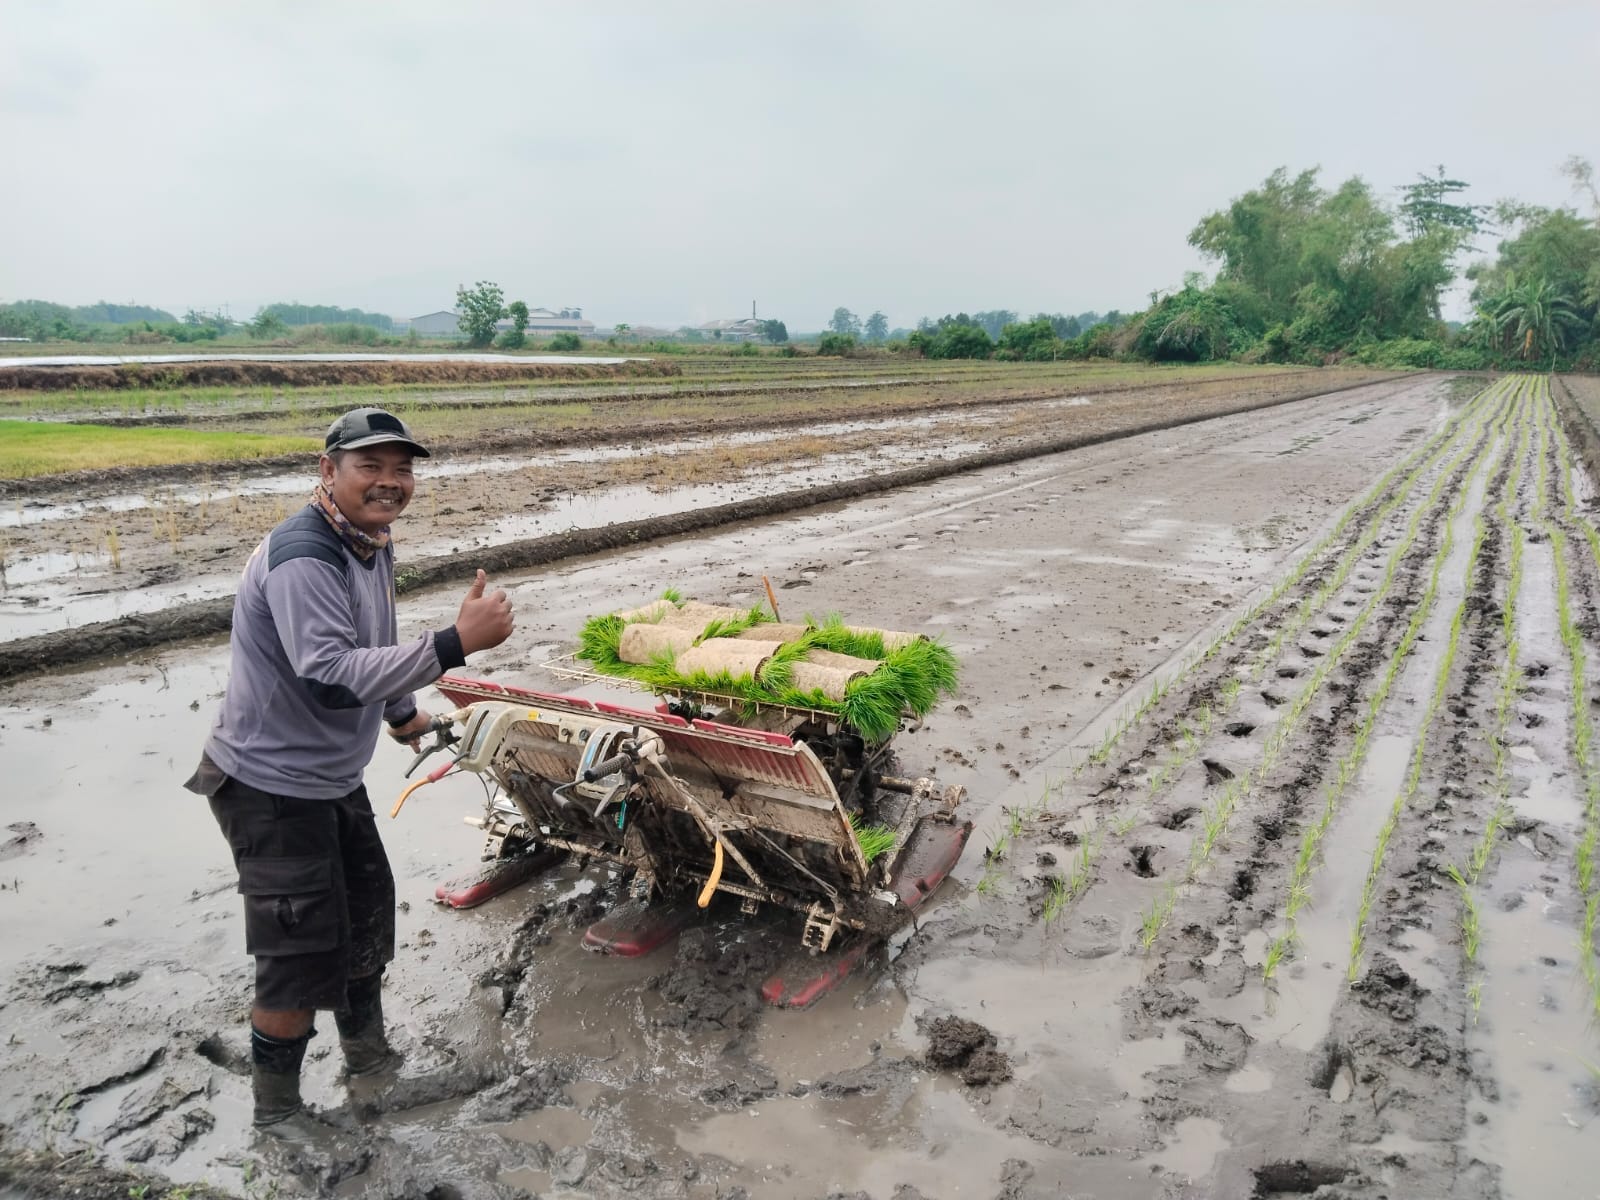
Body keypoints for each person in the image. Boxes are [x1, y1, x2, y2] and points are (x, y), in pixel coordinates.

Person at [185, 406, 514, 1130]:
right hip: (270, 788)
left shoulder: (366, 540)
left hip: (329, 782)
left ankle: (370, 1062)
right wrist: (455, 642)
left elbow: (373, 638)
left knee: (364, 923)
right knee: (297, 957)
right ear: (327, 470)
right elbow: (329, 675)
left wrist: (402, 714)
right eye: (371, 466)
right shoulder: (307, 553)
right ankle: (278, 1116)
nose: (390, 483)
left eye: (402, 469)